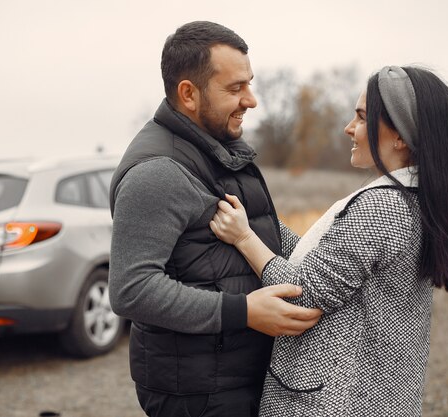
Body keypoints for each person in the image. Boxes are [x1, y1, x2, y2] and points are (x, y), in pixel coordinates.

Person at [210, 66, 448, 416]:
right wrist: (261, 225)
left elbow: (304, 292)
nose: (349, 128)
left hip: (333, 402)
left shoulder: (383, 206)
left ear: (400, 137)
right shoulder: (414, 196)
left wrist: (243, 237)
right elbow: (330, 264)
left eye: (362, 118)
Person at [108, 21, 322, 417]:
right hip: (198, 394)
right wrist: (244, 311)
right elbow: (131, 289)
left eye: (250, 84)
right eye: (235, 88)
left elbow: (259, 230)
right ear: (188, 93)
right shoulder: (157, 171)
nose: (252, 100)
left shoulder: (218, 147)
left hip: (235, 377)